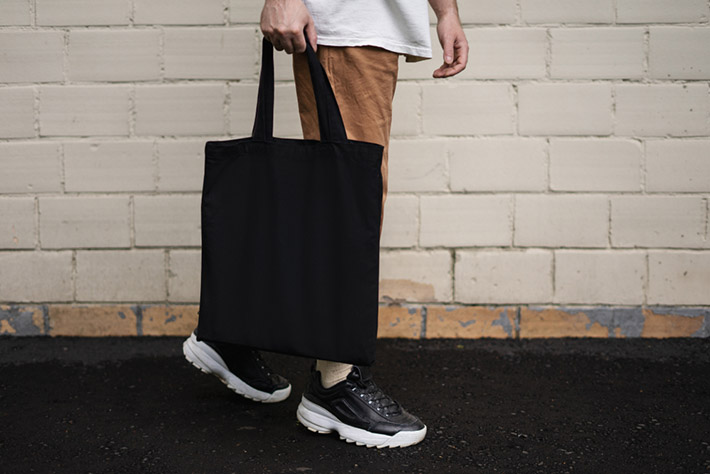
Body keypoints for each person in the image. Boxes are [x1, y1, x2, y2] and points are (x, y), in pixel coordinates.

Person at [183, 0, 468, 449]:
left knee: (346, 202)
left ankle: (230, 329)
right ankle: (335, 386)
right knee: (349, 208)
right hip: (347, 23)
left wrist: (445, 9)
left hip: (373, 24)